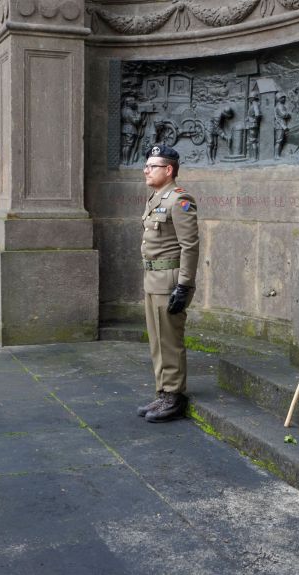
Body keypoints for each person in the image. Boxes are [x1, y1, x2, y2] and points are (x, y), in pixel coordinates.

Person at [135, 143, 199, 423]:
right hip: (153, 279)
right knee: (157, 340)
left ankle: (174, 396)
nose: (146, 170)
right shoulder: (155, 199)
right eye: (147, 165)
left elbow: (190, 246)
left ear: (168, 169)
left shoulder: (180, 200)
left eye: (153, 166)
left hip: (169, 281)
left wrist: (184, 285)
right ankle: (163, 391)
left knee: (169, 340)